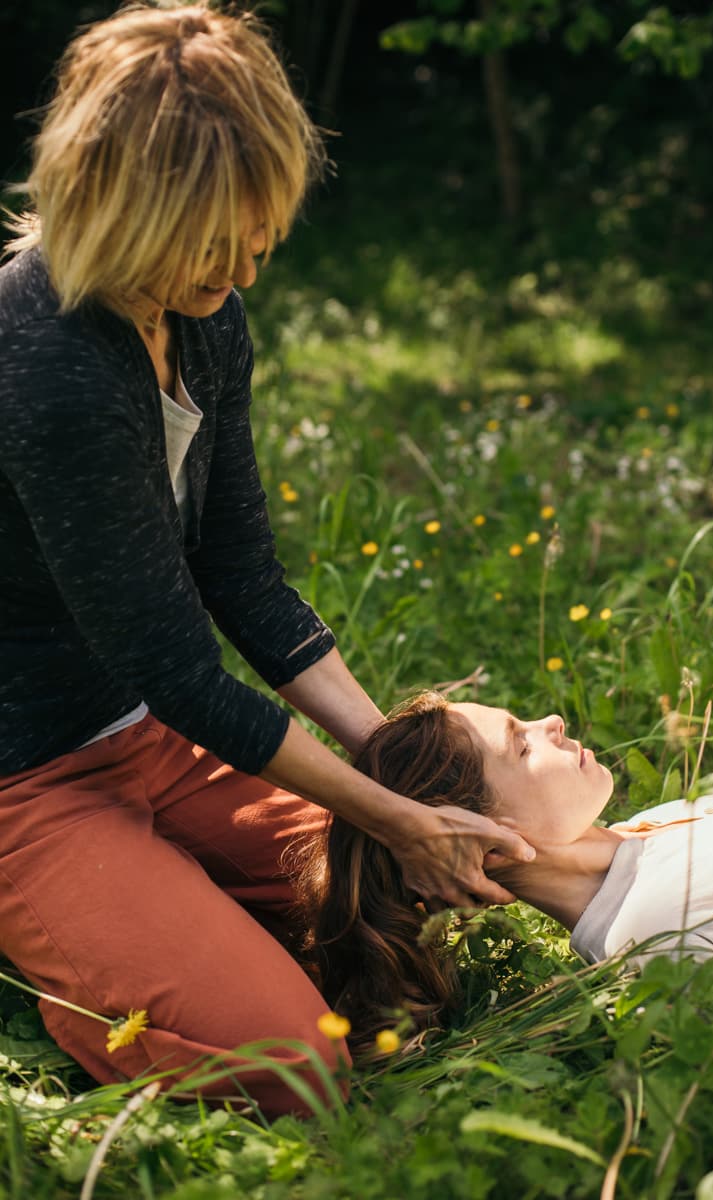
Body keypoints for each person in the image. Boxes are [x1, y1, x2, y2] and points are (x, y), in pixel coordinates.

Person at [0, 3, 536, 1116]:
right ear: (119, 206)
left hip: (148, 739)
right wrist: (392, 814)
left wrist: (393, 768)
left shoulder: (203, 317)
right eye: (213, 236)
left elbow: (239, 572)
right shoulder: (49, 366)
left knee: (398, 905)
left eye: (259, 228)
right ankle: (70, 959)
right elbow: (183, 671)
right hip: (25, 778)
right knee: (295, 1062)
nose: (245, 260)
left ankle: (162, 912)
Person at [303, 692, 713, 1055]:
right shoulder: (662, 926)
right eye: (521, 746)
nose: (554, 721)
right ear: (483, 841)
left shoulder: (649, 829)